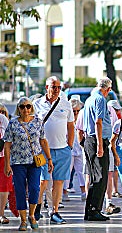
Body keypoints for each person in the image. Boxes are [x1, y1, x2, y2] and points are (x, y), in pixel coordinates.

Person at [3, 97, 54, 231]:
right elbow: (7, 145)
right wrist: (7, 164)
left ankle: (31, 215)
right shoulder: (13, 123)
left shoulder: (38, 122)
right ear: (18, 109)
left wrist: (49, 159)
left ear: (32, 107)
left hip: (34, 162)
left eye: (28, 106)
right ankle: (24, 220)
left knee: (35, 189)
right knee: (20, 190)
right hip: (18, 162)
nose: (26, 109)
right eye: (22, 107)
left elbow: (43, 141)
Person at [33, 76, 74, 224]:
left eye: (58, 87)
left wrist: (69, 144)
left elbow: (71, 125)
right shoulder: (37, 104)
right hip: (43, 150)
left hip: (62, 149)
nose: (56, 90)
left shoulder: (66, 104)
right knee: (43, 181)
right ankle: (37, 206)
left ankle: (54, 211)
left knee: (58, 182)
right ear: (46, 88)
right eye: (53, 87)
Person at [82, 77, 113, 221]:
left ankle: (90, 210)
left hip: (90, 140)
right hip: (97, 140)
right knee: (101, 177)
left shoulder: (90, 99)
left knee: (95, 177)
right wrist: (100, 145)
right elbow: (98, 122)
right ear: (108, 89)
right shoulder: (100, 99)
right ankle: (94, 210)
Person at [62, 98, 86, 202]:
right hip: (69, 149)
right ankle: (64, 192)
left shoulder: (83, 120)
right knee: (67, 171)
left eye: (77, 111)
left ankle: (84, 192)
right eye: (74, 111)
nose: (76, 113)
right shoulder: (67, 121)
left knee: (82, 172)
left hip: (80, 150)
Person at [108, 100, 122, 198]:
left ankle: (115, 189)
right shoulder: (110, 117)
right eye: (116, 109)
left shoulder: (119, 118)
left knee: (116, 169)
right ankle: (111, 191)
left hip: (117, 145)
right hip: (110, 145)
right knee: (110, 170)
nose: (117, 111)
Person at [0, 106, 11, 224]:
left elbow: (9, 139)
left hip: (3, 157)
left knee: (3, 186)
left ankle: (1, 213)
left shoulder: (3, 119)